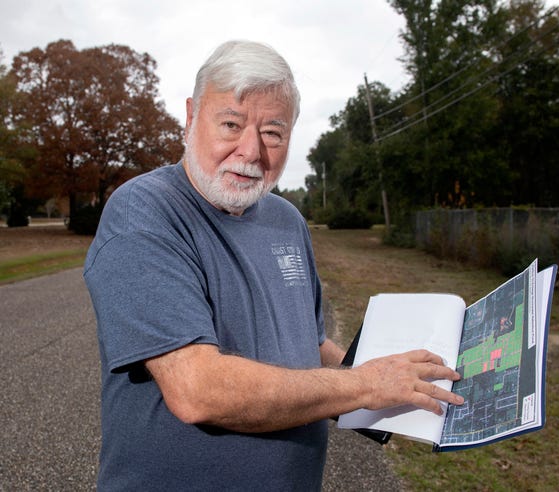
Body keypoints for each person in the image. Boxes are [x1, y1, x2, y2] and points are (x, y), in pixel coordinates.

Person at [84, 39, 464, 491]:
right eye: (231, 124)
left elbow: (310, 341)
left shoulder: (287, 220)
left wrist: (405, 384)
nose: (251, 151)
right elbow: (197, 389)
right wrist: (366, 384)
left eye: (272, 133)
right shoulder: (145, 213)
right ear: (190, 116)